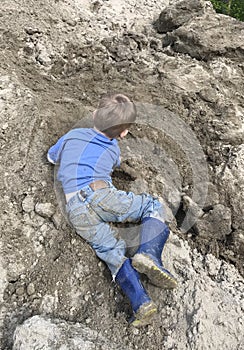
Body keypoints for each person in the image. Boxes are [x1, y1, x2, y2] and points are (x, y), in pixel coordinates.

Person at [47, 92, 177, 327]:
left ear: (94, 114)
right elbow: (112, 162)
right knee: (152, 205)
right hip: (101, 195)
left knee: (110, 251)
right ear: (124, 133)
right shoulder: (114, 149)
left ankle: (141, 303)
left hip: (75, 208)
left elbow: (51, 156)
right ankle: (149, 253)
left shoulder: (72, 135)